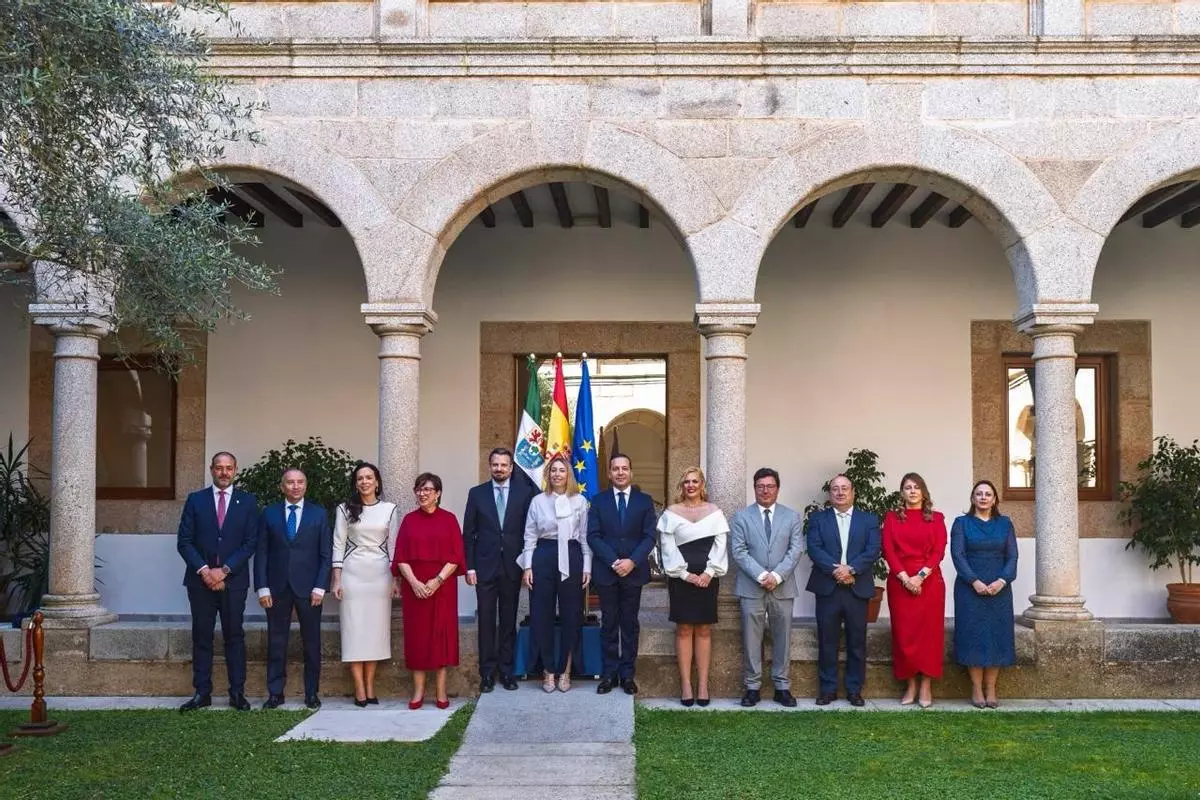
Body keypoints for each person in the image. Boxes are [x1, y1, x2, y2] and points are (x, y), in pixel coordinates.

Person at [176, 451, 260, 712]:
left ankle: (237, 693)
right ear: (212, 469)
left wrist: (224, 570)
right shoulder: (196, 500)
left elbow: (251, 542)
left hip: (234, 583)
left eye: (229, 468)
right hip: (200, 583)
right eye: (219, 468)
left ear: (235, 470)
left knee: (234, 636)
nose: (224, 472)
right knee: (202, 636)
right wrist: (205, 571)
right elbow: (184, 541)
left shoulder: (248, 502)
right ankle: (202, 693)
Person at [256, 468, 332, 710]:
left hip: (310, 589)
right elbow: (262, 553)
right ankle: (275, 693)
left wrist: (320, 586)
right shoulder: (269, 513)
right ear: (282, 487)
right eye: (290, 482)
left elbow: (325, 554)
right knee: (276, 642)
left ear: (306, 486)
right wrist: (262, 587)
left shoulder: (318, 514)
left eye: (300, 482)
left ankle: (311, 693)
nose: (295, 486)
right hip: (277, 588)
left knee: (312, 643)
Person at [730, 467, 805, 707]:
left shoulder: (792, 517)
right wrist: (762, 575)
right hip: (752, 587)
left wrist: (778, 576)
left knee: (783, 638)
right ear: (754, 488)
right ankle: (752, 687)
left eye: (770, 486)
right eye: (761, 486)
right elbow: (739, 551)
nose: (765, 490)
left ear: (777, 489)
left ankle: (782, 687)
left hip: (783, 587)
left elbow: (796, 550)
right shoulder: (741, 517)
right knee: (751, 639)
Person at [463, 447, 535, 693]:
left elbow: (530, 532)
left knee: (508, 620)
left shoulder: (524, 493)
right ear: (490, 466)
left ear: (511, 468)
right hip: (484, 567)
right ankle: (486, 673)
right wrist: (470, 567)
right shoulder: (477, 494)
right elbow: (468, 533)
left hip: (513, 567)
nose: (499, 469)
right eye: (495, 464)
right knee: (485, 620)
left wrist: (527, 565)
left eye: (504, 465)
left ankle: (507, 671)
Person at [391, 472, 466, 710]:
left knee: (441, 638)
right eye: (419, 490)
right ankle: (418, 692)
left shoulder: (449, 519)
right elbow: (400, 556)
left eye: (427, 490)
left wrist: (437, 581)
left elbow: (456, 556)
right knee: (417, 639)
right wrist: (414, 583)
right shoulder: (409, 521)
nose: (422, 494)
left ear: (438, 494)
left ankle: (441, 691)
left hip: (442, 588)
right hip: (414, 588)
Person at [806, 473, 882, 707]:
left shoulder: (869, 520)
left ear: (853, 492)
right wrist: (836, 571)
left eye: (844, 488)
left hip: (857, 588)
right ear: (830, 494)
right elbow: (814, 548)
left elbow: (873, 549)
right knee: (826, 641)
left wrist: (851, 569)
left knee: (857, 642)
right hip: (828, 588)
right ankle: (827, 690)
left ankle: (854, 690)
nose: (840, 492)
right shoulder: (818, 519)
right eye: (835, 489)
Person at [519, 454, 591, 693]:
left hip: (572, 556)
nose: (557, 474)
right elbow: (529, 536)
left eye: (562, 470)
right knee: (542, 615)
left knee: (571, 615)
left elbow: (584, 537)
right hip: (544, 556)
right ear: (548, 475)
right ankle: (548, 671)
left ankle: (566, 671)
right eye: (553, 470)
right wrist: (528, 566)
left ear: (568, 475)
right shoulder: (538, 501)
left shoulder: (579, 501)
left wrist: (587, 566)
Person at [657, 466, 728, 707]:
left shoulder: (715, 513)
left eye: (695, 481)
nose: (691, 486)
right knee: (684, 629)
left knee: (704, 629)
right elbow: (667, 548)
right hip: (681, 579)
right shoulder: (671, 513)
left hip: (708, 578)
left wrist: (709, 573)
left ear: (702, 485)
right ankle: (686, 685)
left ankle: (703, 685)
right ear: (681, 486)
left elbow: (720, 545)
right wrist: (686, 575)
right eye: (686, 482)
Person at [331, 462, 400, 707]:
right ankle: (359, 688)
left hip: (380, 575)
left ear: (377, 482)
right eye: (360, 478)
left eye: (369, 477)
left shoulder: (390, 509)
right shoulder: (344, 509)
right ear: (355, 483)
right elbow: (338, 543)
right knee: (354, 631)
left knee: (374, 633)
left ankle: (371, 686)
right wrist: (336, 579)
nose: (364, 482)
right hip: (353, 574)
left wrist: (395, 580)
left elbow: (393, 546)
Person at [587, 453, 655, 695]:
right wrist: (614, 561)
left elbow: (650, 536)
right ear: (609, 473)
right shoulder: (598, 501)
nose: (620, 472)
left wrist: (632, 561)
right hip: (607, 572)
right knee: (609, 623)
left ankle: (627, 675)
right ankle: (609, 674)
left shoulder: (644, 501)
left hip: (633, 573)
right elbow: (593, 536)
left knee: (629, 624)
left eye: (624, 468)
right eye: (615, 469)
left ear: (631, 472)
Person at [881, 472, 947, 708]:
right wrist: (905, 579)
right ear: (902, 492)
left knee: (930, 635)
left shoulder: (936, 518)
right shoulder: (891, 518)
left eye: (916, 487)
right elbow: (888, 550)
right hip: (900, 582)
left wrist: (919, 577)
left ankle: (926, 685)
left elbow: (939, 550)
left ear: (923, 492)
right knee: (904, 635)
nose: (912, 491)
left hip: (929, 582)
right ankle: (910, 684)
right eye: (908, 487)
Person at [951, 479, 1018, 709]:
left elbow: (1012, 556)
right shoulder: (961, 523)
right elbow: (958, 555)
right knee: (973, 637)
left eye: (988, 494)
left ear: (994, 499)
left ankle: (991, 689)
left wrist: (1002, 580)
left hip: (999, 589)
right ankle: (977, 688)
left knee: (996, 637)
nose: (983, 497)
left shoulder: (1005, 524)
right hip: (969, 590)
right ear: (972, 498)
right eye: (979, 494)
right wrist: (974, 581)